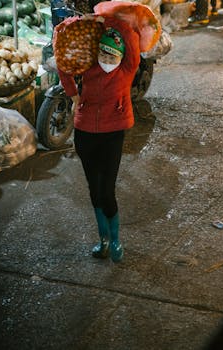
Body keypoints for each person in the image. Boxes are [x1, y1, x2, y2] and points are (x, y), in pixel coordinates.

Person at [57, 17, 141, 262]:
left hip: (112, 135)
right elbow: (63, 64)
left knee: (107, 191)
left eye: (111, 57)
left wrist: (110, 20)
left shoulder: (127, 69)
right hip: (85, 134)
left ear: (121, 57)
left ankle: (115, 239)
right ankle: (103, 239)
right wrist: (73, 94)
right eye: (102, 55)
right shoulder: (89, 67)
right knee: (94, 190)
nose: (106, 61)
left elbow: (132, 42)